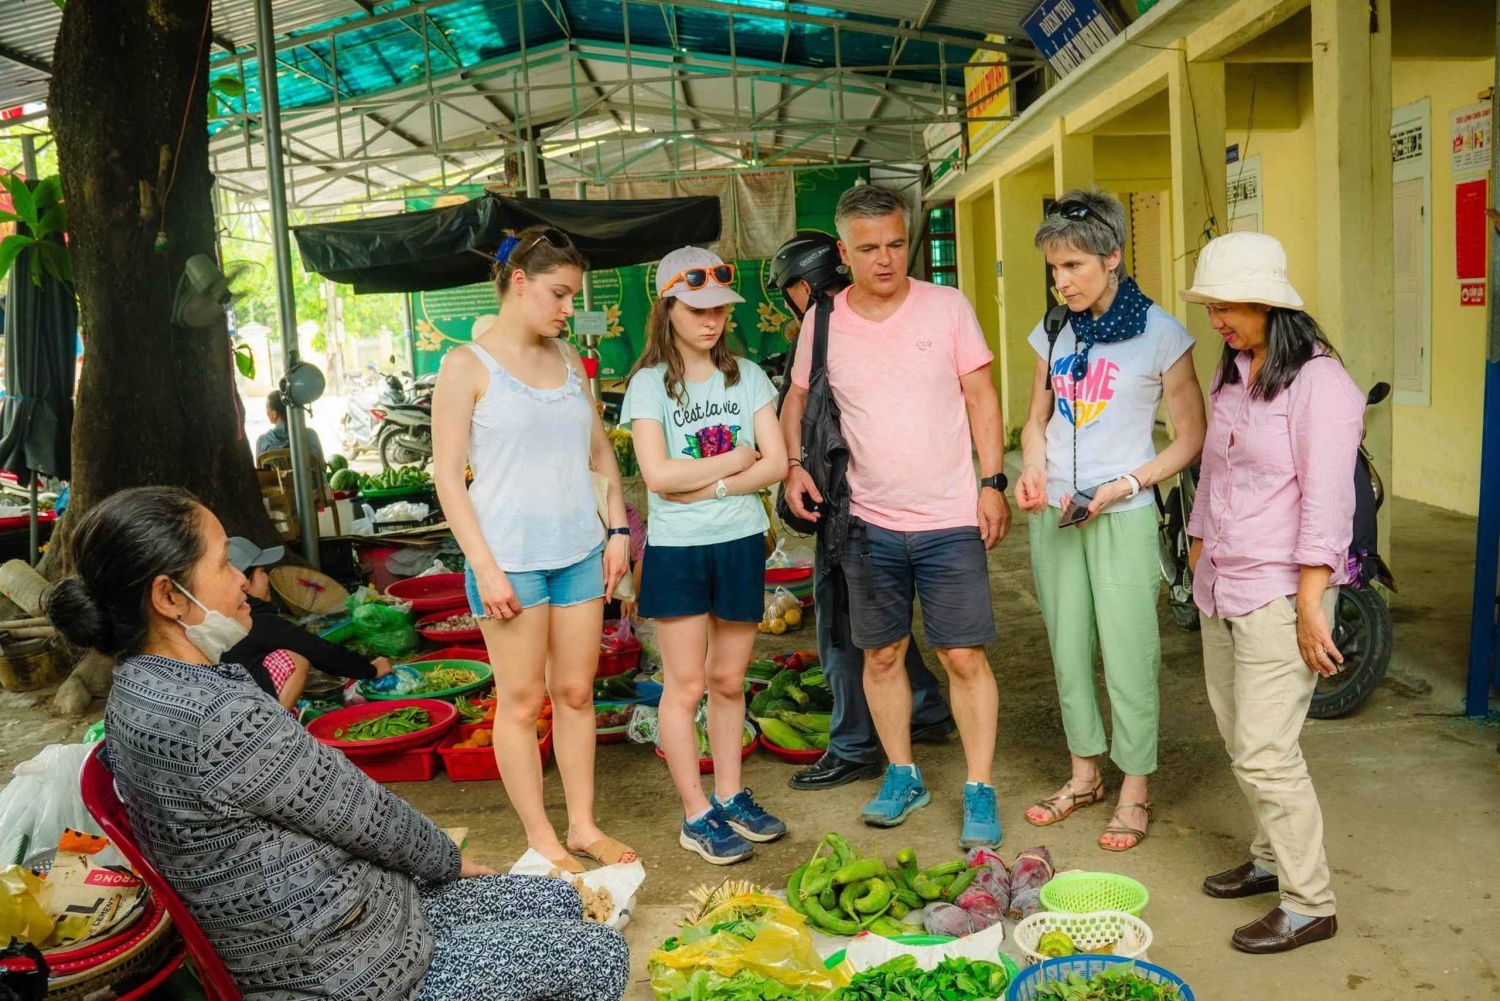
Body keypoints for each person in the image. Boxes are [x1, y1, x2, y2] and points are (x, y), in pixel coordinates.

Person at [45, 487, 629, 1001]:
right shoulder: (219, 715)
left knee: (557, 902)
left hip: (330, 919)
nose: (243, 581)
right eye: (224, 563)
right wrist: (452, 863)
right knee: (598, 954)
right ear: (169, 597)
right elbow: (364, 814)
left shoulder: (133, 690)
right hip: (346, 967)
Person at [782, 184, 1011, 848]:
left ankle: (979, 785)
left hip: (948, 517)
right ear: (843, 250)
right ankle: (903, 774)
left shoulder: (947, 307)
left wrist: (992, 482)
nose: (884, 259)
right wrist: (795, 464)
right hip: (865, 521)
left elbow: (981, 396)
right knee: (881, 654)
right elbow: (797, 400)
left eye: (895, 244)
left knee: (961, 654)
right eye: (868, 248)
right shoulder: (824, 320)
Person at [431, 226, 634, 874]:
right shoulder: (466, 366)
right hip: (509, 560)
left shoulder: (568, 359)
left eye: (573, 296)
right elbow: (447, 478)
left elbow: (599, 451)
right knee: (521, 703)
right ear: (519, 282)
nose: (569, 308)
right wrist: (484, 567)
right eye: (560, 294)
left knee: (575, 692)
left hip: (579, 550)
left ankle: (583, 825)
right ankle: (542, 837)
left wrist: (618, 530)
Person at [1181, 231, 1362, 953]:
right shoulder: (1233, 371)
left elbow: (1329, 504)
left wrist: (1312, 606)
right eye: (1211, 307)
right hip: (1222, 583)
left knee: (1265, 750)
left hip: (1281, 596)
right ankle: (1268, 858)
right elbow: (1215, 473)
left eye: (1228, 307)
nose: (1216, 320)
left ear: (1269, 304)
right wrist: (1197, 550)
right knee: (1240, 737)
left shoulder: (1321, 384)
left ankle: (1310, 902)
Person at [1013, 190, 1206, 852]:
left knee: (1129, 652)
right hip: (1056, 511)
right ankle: (1084, 775)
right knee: (1068, 649)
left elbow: (1190, 437)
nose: (1062, 281)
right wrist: (1031, 466)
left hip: (1121, 512)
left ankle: (1134, 789)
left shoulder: (1161, 334)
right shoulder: (1053, 329)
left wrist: (1125, 483)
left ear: (1113, 256)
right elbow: (1035, 418)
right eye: (1054, 268)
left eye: (1073, 265)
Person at [767, 232, 956, 792]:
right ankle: (925, 707)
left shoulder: (822, 325)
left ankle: (853, 746)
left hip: (846, 504)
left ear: (801, 287)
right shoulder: (875, 316)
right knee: (879, 626)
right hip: (890, 498)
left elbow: (798, 412)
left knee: (842, 629)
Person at [622, 246, 789, 865]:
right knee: (686, 685)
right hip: (678, 550)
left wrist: (710, 486)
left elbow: (775, 463)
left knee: (728, 680)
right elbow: (658, 476)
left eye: (719, 308)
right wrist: (735, 460)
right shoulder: (647, 384)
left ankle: (730, 794)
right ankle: (696, 813)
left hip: (739, 540)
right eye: (697, 309)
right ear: (668, 307)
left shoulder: (748, 376)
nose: (711, 319)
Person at [221, 537, 395, 709]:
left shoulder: (224, 613)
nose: (267, 578)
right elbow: (317, 649)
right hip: (244, 705)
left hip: (230, 702)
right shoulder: (254, 618)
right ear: (243, 581)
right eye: (262, 571)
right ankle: (276, 721)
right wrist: (371, 670)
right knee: (295, 660)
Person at [256, 388, 325, 467]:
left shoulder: (263, 442)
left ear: (275, 414)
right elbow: (322, 466)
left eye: (267, 408)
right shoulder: (311, 435)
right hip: (308, 475)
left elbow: (260, 472)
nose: (266, 412)